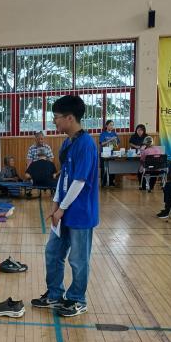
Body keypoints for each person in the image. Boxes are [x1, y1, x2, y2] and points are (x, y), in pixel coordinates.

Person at [31, 95, 99, 317]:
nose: (54, 121)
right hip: (63, 211)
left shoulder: (86, 144)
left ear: (70, 118)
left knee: (78, 260)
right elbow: (64, 177)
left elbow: (79, 181)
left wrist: (62, 208)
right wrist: (55, 204)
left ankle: (77, 299)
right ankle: (54, 294)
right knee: (53, 252)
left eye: (57, 117)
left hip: (81, 213)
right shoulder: (67, 143)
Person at [99, 120, 120, 187]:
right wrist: (110, 140)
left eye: (112, 125)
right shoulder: (103, 134)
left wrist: (116, 144)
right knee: (104, 168)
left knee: (112, 167)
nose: (111, 126)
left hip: (112, 153)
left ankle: (111, 182)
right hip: (104, 154)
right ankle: (103, 182)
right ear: (106, 126)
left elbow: (118, 143)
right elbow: (102, 143)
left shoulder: (114, 134)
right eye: (110, 125)